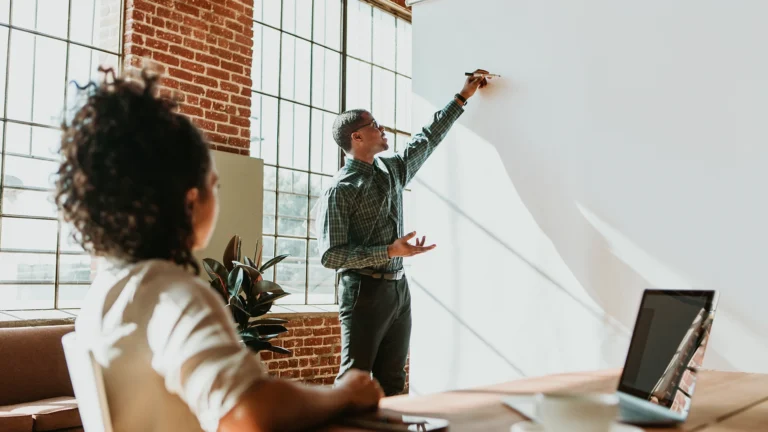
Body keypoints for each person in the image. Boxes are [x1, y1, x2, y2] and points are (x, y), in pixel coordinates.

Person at [55, 68, 383, 432]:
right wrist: (344, 394)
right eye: (215, 185)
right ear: (191, 200)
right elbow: (249, 411)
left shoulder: (104, 293)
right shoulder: (174, 296)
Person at [315, 70, 490, 396]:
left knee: (394, 381)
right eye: (374, 125)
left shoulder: (393, 168)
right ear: (356, 137)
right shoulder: (340, 189)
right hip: (362, 292)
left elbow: (427, 138)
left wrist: (462, 97)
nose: (382, 129)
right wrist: (388, 251)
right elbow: (330, 255)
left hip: (398, 289)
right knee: (354, 383)